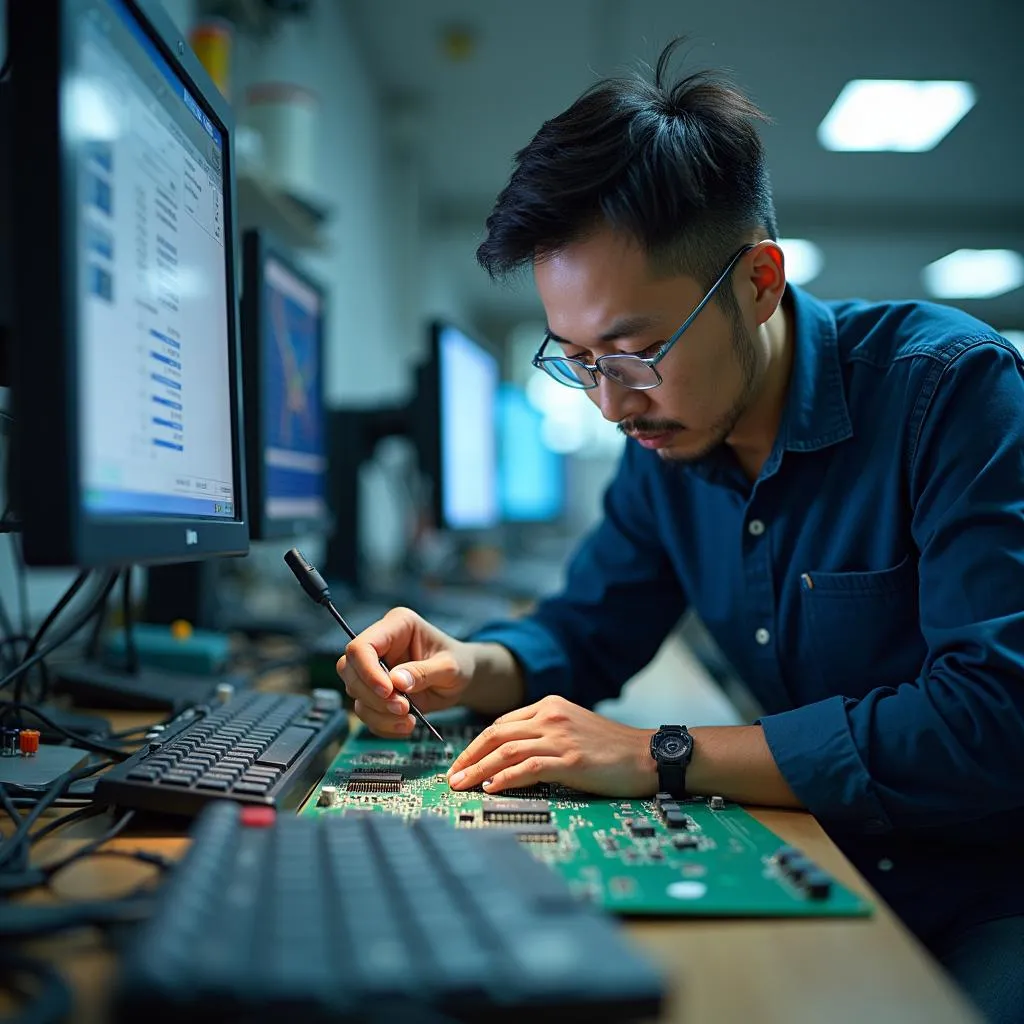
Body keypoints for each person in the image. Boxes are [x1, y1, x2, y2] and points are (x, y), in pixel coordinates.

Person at [337, 38, 1024, 1022]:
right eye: (575, 360)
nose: (610, 406)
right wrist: (467, 666)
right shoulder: (662, 437)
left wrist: (661, 751)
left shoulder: (947, 390)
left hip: (985, 887)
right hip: (818, 853)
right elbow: (587, 626)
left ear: (758, 282)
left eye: (633, 351)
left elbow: (993, 718)